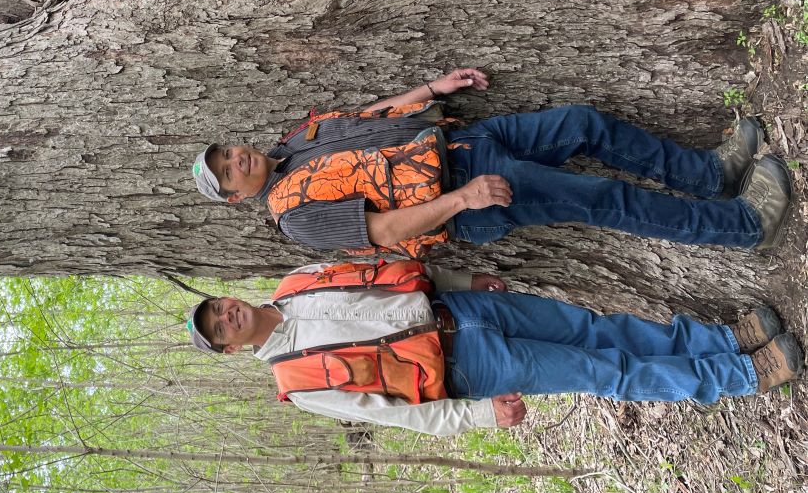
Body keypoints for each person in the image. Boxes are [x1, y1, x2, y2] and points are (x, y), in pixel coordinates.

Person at [191, 68, 794, 257]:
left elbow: (370, 117)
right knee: (602, 199)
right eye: (227, 173)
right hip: (469, 195)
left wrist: (432, 89)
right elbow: (384, 231)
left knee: (584, 123)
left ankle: (709, 176)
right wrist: (464, 199)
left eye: (225, 152)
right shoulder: (293, 216)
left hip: (466, 143)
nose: (235, 159)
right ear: (238, 198)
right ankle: (740, 226)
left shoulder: (295, 140)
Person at [185, 258, 804, 436]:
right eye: (220, 329)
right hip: (468, 367)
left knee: (596, 328)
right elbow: (397, 414)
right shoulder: (297, 382)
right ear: (232, 349)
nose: (227, 316)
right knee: (601, 371)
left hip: (463, 308)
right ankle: (740, 377)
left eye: (218, 308)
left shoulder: (295, 285)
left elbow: (379, 277)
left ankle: (722, 341)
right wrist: (480, 414)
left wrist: (462, 284)